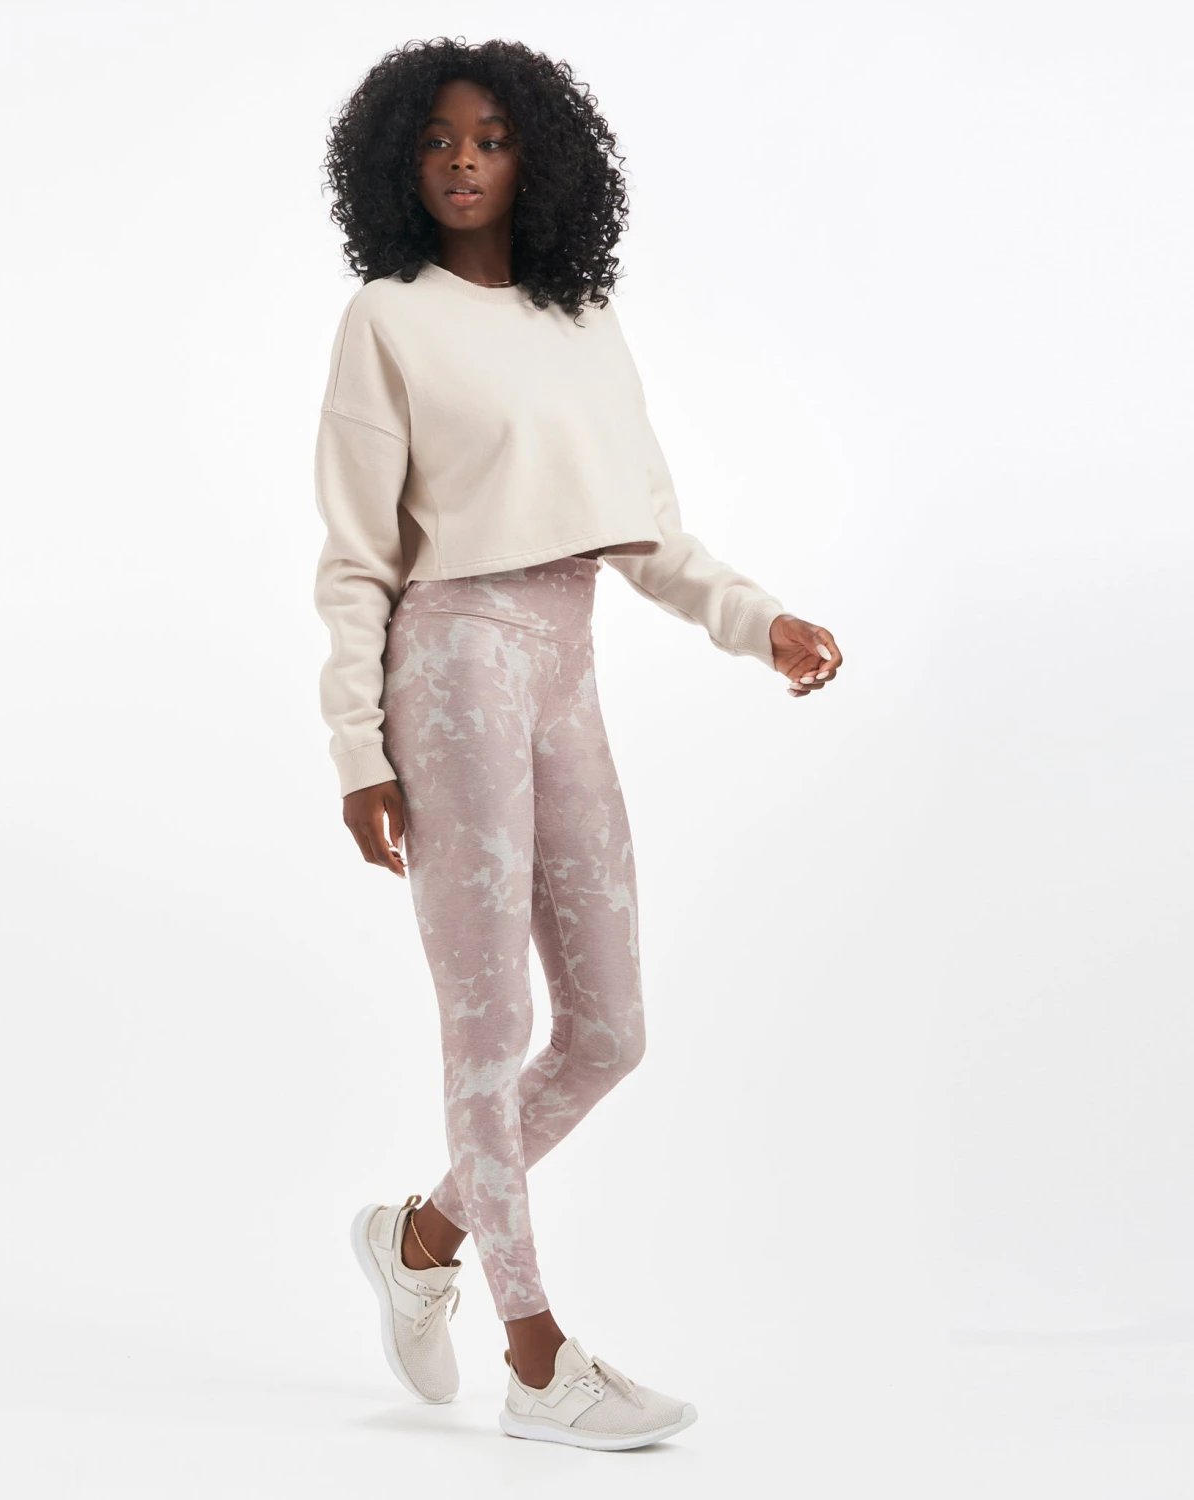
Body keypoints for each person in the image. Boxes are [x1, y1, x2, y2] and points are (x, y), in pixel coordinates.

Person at [313, 37, 843, 1451]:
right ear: (399, 164)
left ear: (536, 158)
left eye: (491, 139)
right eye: (437, 140)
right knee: (488, 1028)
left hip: (567, 660)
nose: (464, 161)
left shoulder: (583, 318)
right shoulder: (389, 320)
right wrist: (358, 749)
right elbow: (357, 559)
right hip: (454, 663)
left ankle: (422, 1238)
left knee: (609, 1031)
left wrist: (762, 621)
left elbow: (646, 532)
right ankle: (537, 1356)